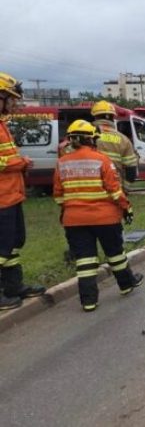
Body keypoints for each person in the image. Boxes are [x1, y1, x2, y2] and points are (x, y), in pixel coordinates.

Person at [53, 119, 143, 312]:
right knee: (115, 253)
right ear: (90, 139)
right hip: (105, 218)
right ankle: (126, 285)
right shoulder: (102, 160)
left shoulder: (62, 163)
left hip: (74, 220)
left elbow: (58, 195)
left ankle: (88, 301)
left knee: (85, 260)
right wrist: (126, 207)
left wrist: (69, 209)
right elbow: (114, 190)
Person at [0, 72, 46, 310]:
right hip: (1, 198)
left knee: (14, 244)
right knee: (1, 247)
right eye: (9, 98)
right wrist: (21, 163)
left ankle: (13, 286)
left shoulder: (2, 125)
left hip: (10, 195)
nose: (13, 103)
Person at [90, 100, 138, 188]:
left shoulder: (86, 136)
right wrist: (124, 189)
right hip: (114, 189)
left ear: (95, 117)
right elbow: (131, 170)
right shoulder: (124, 140)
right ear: (112, 117)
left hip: (91, 189)